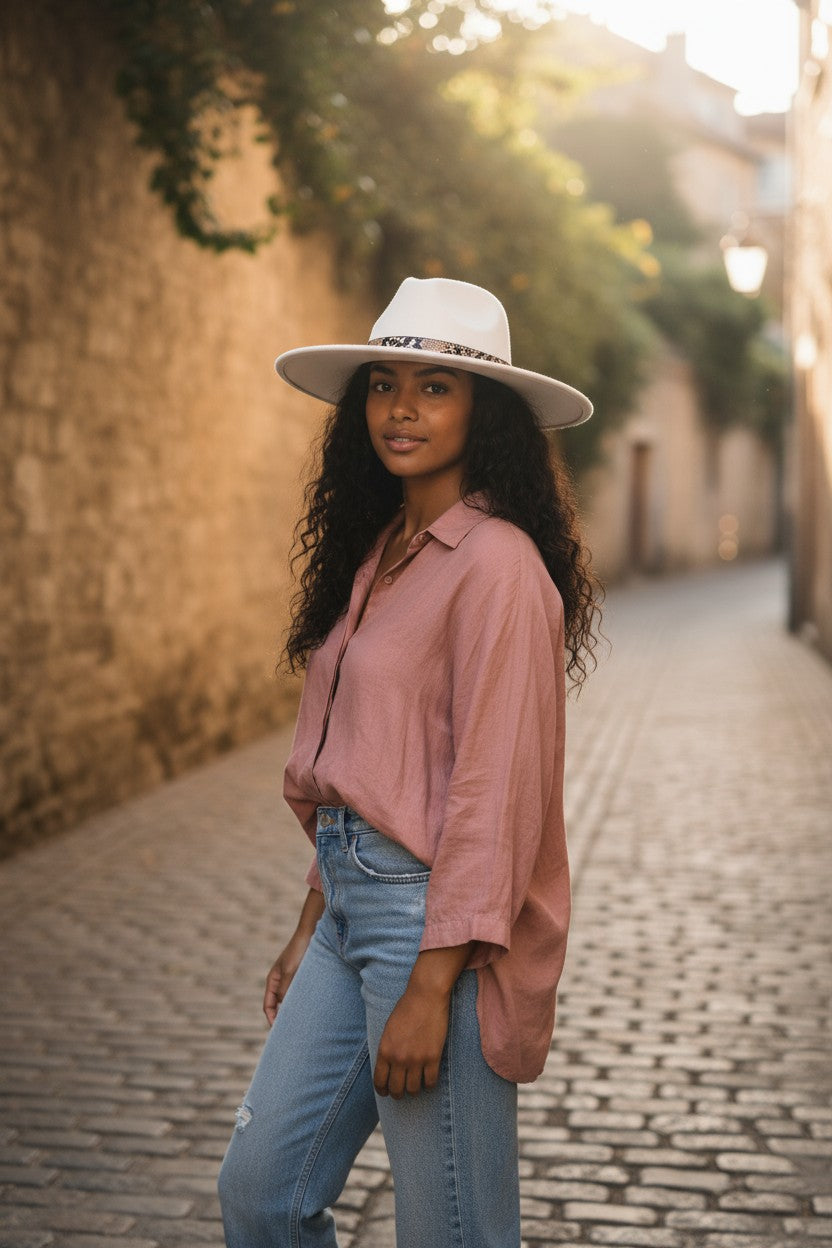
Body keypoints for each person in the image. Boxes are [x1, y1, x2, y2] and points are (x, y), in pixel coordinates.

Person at [218, 277, 600, 1248]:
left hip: (437, 928)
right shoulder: (381, 548)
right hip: (348, 905)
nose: (401, 407)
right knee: (261, 1194)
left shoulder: (498, 569)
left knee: (453, 1233)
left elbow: (491, 798)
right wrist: (312, 919)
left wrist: (433, 986)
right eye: (385, 383)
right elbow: (362, 765)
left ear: (487, 411)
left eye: (436, 385)